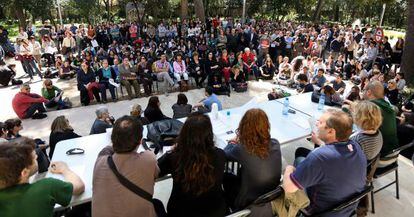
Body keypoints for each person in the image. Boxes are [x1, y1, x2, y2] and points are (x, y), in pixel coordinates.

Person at [281, 109, 366, 216]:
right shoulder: (355, 146)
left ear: (331, 131)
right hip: (346, 209)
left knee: (293, 169)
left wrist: (288, 169)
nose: (316, 123)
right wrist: (321, 143)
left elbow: (289, 188)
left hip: (320, 211)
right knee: (301, 158)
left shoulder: (319, 157)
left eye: (320, 122)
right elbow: (334, 156)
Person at [157, 113, 227, 217]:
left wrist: (173, 151)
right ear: (209, 134)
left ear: (184, 134)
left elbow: (156, 169)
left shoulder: (174, 157)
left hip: (180, 212)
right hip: (215, 212)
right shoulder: (220, 155)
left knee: (156, 204)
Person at [92, 115, 163, 217]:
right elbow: (156, 173)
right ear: (139, 141)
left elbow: (106, 150)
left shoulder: (100, 162)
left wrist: (119, 142)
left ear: (113, 139)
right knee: (157, 204)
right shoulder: (148, 159)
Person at [0, 137, 85, 217]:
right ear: (24, 172)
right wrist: (65, 169)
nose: (37, 156)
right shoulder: (46, 187)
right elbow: (79, 186)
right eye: (33, 158)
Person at [224, 109, 281, 211]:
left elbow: (223, 156)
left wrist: (232, 143)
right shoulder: (275, 144)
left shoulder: (240, 150)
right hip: (270, 196)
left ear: (243, 127)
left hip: (247, 204)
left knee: (226, 174)